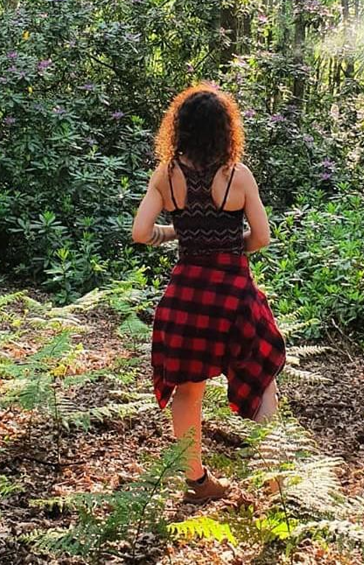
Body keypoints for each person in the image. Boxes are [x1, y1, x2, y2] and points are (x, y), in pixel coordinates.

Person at [132, 84, 285, 503]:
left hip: (187, 295)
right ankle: (278, 480)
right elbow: (262, 238)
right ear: (224, 129)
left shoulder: (166, 175)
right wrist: (233, 244)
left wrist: (174, 232)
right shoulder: (237, 175)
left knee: (188, 388)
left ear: (178, 128)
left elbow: (140, 233)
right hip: (233, 293)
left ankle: (197, 482)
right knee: (262, 376)